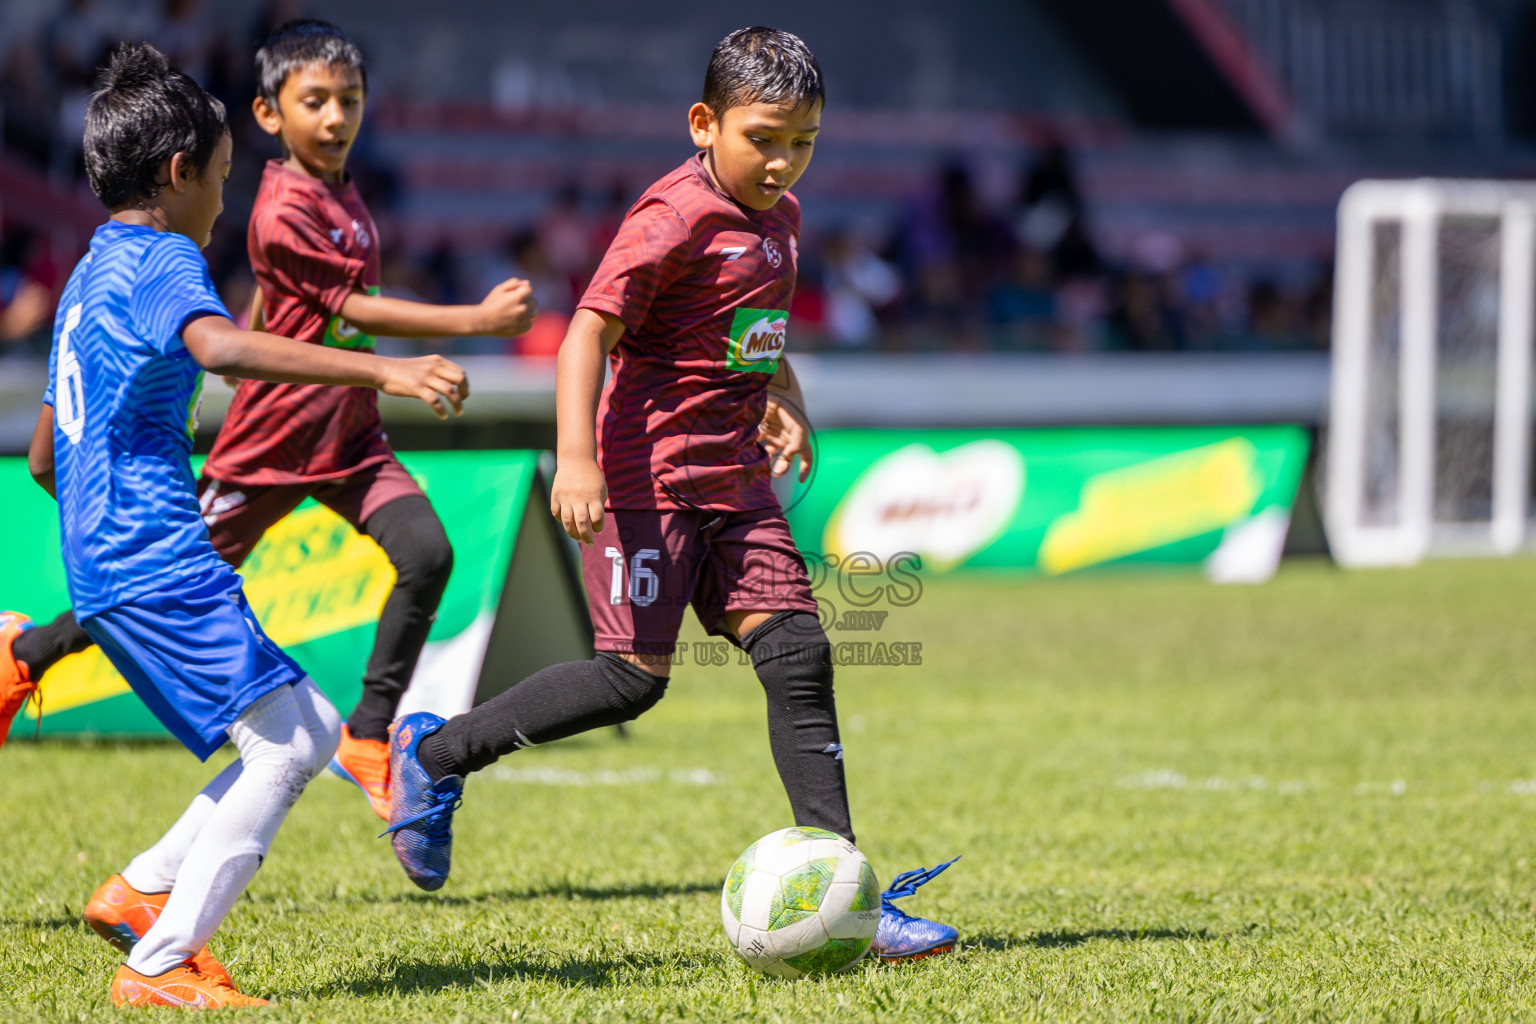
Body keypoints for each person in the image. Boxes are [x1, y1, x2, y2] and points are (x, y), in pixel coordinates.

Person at [381, 26, 960, 961]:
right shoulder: (670, 218)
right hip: (647, 477)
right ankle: (435, 755)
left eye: (803, 140)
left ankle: (848, 892)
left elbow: (754, 334)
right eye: (763, 137)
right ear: (705, 123)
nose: (781, 161)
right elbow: (584, 337)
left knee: (800, 653)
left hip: (732, 477)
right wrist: (575, 459)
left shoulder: (783, 219)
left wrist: (787, 402)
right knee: (629, 681)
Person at [11, 43, 470, 1007]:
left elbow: (44, 459)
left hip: (109, 559)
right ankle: (160, 961)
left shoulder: (88, 271)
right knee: (296, 742)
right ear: (179, 176)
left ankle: (139, 893)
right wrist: (382, 370)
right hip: (154, 557)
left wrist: (109, 526)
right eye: (221, 180)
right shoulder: (163, 258)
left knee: (292, 730)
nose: (225, 201)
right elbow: (220, 347)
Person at [0, 20, 537, 822]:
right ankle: (27, 653)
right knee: (153, 583)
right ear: (268, 115)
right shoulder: (277, 206)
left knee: (428, 552)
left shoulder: (348, 192)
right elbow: (340, 308)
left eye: (348, 99)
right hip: (272, 443)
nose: (334, 116)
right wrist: (472, 323)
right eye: (313, 100)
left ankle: (366, 735)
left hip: (348, 435)